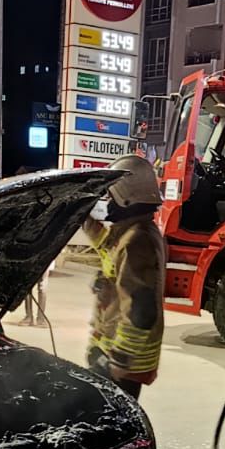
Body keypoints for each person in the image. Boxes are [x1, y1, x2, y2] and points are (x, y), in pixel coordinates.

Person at [82, 148, 166, 399]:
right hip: (112, 346)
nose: (108, 202)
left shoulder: (137, 241)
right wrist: (81, 214)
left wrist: (119, 359)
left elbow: (141, 308)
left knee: (113, 422)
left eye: (111, 196)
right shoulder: (133, 231)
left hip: (125, 361)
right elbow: (107, 245)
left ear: (127, 196)